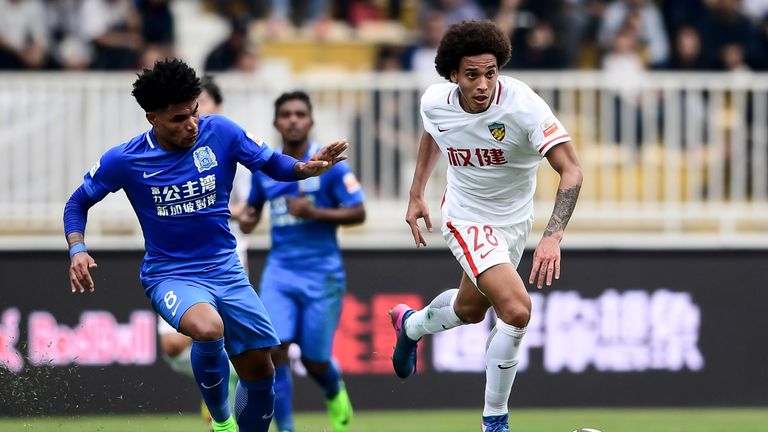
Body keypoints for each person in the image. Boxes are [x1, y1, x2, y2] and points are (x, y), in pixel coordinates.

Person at [64, 59, 348, 432]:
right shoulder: (125, 159)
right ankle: (222, 422)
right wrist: (77, 248)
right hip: (170, 273)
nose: (192, 124)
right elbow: (77, 203)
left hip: (226, 269)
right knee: (209, 328)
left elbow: (272, 164)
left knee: (261, 370)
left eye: (195, 112)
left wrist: (304, 169)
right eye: (179, 119)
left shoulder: (223, 132)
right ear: (152, 118)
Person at [388, 20, 582, 432]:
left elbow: (571, 170)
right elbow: (433, 132)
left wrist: (553, 234)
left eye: (490, 73)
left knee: (470, 311)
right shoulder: (436, 101)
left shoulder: (523, 106)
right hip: (465, 218)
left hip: (514, 224)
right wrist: (417, 192)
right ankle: (495, 421)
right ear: (453, 75)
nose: (483, 84)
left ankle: (410, 325)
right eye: (471, 75)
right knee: (516, 310)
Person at [238, 91, 365, 432]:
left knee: (314, 360)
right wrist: (241, 217)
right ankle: (288, 428)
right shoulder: (266, 169)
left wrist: (315, 212)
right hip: (280, 272)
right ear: (276, 123)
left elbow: (359, 211)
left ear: (310, 121)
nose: (293, 120)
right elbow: (251, 214)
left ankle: (334, 389)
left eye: (299, 114)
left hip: (323, 273)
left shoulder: (330, 166)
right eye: (286, 114)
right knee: (274, 351)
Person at [153, 75, 249, 428]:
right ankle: (223, 381)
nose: (194, 116)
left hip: (225, 256)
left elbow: (251, 211)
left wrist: (236, 212)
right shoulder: (152, 153)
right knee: (174, 347)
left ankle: (220, 412)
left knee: (213, 333)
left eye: (201, 106)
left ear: (215, 109)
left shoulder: (227, 144)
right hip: (174, 262)